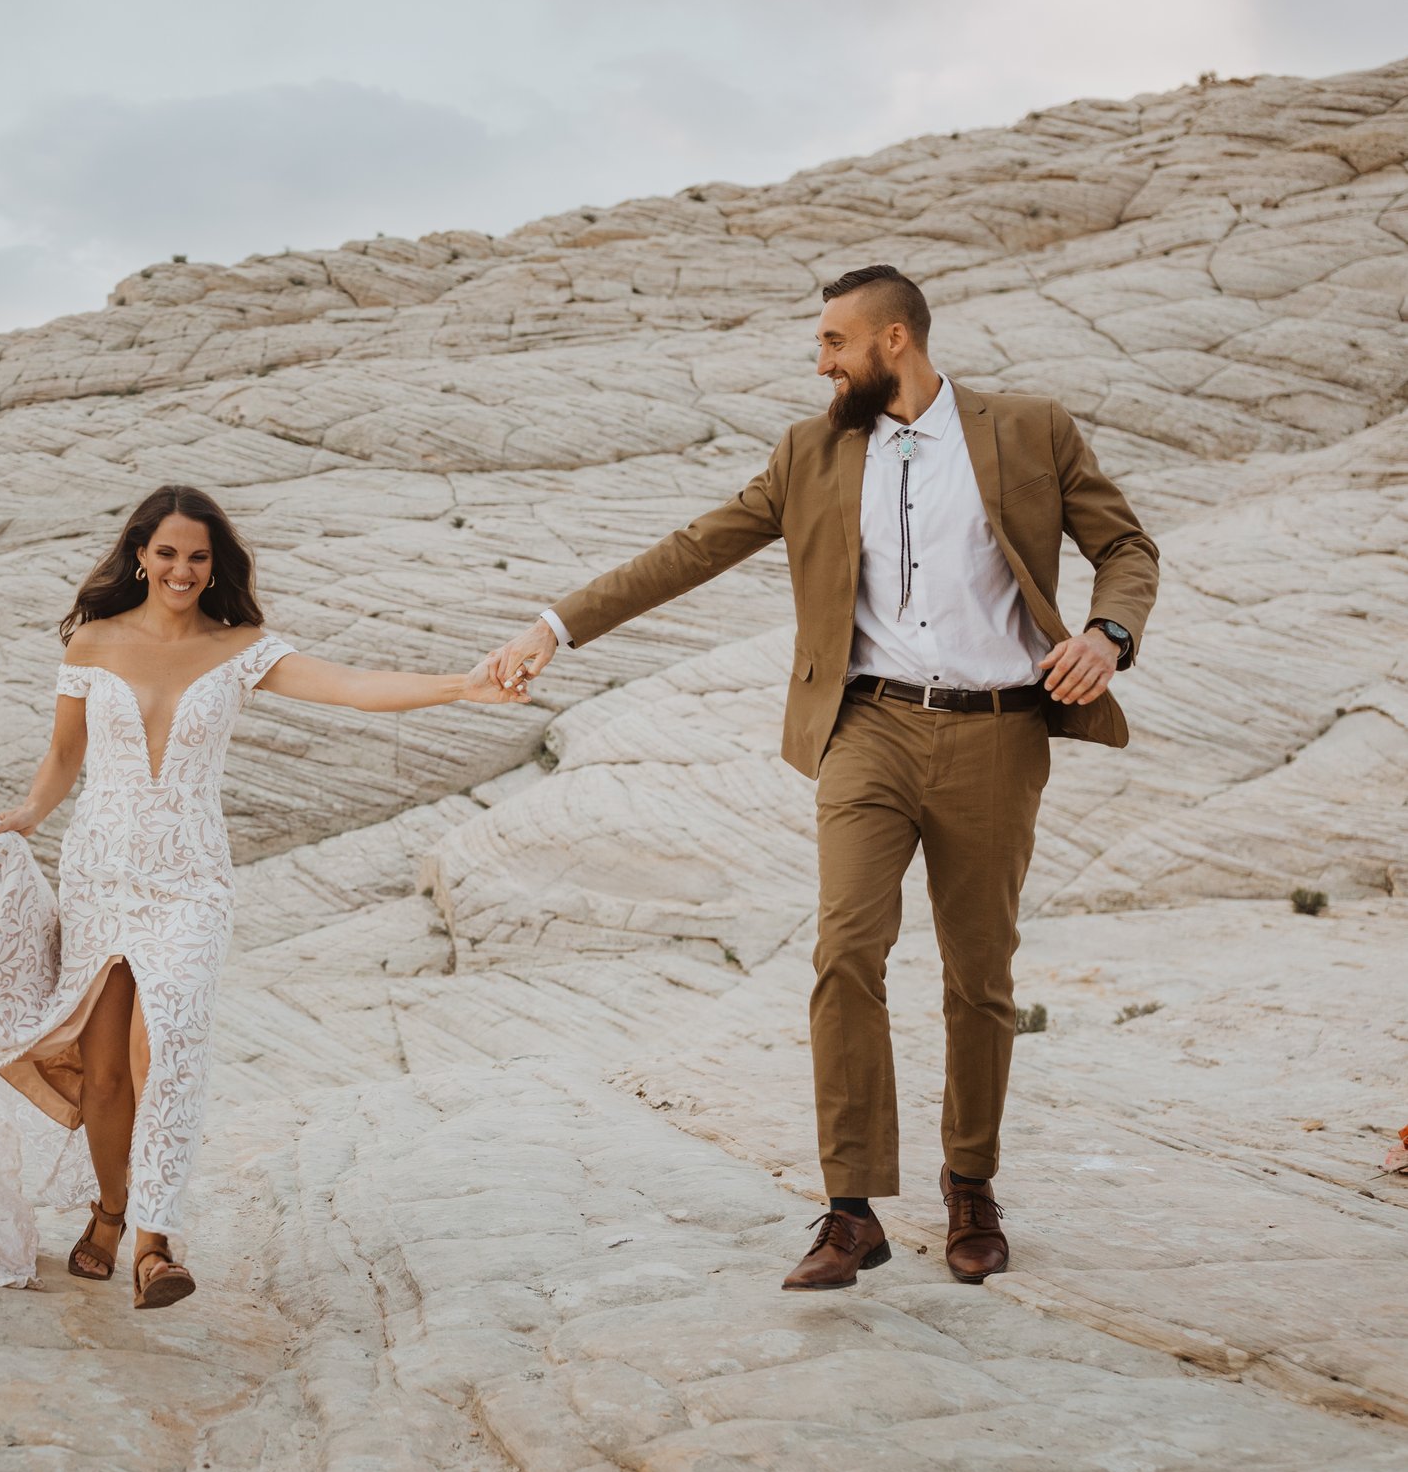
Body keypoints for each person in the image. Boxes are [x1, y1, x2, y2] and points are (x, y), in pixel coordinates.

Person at [483, 264, 1160, 1291]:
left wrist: (1107, 632)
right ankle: (851, 1210)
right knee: (846, 946)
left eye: (833, 343)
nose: (820, 362)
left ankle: (969, 1183)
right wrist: (552, 626)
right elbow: (691, 549)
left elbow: (1122, 544)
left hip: (996, 732)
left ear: (894, 340)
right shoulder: (810, 449)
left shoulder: (1029, 428)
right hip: (867, 726)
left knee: (978, 975)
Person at [0, 484, 515, 1307]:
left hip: (192, 881)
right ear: (140, 554)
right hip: (101, 872)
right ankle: (108, 1209)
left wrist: (465, 685)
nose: (182, 569)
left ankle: (155, 1244)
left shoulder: (242, 646)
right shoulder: (93, 643)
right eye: (167, 552)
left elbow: (351, 686)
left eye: (198, 556)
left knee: (168, 1040)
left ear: (215, 567)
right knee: (103, 1073)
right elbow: (64, 755)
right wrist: (25, 815)